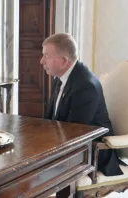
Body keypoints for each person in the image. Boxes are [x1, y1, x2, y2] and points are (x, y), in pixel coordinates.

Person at [41, 33, 123, 176]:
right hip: (70, 144)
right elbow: (50, 120)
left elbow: (75, 132)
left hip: (92, 151)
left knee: (35, 175)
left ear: (64, 61)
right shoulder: (60, 76)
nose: (42, 61)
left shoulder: (85, 86)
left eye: (46, 56)